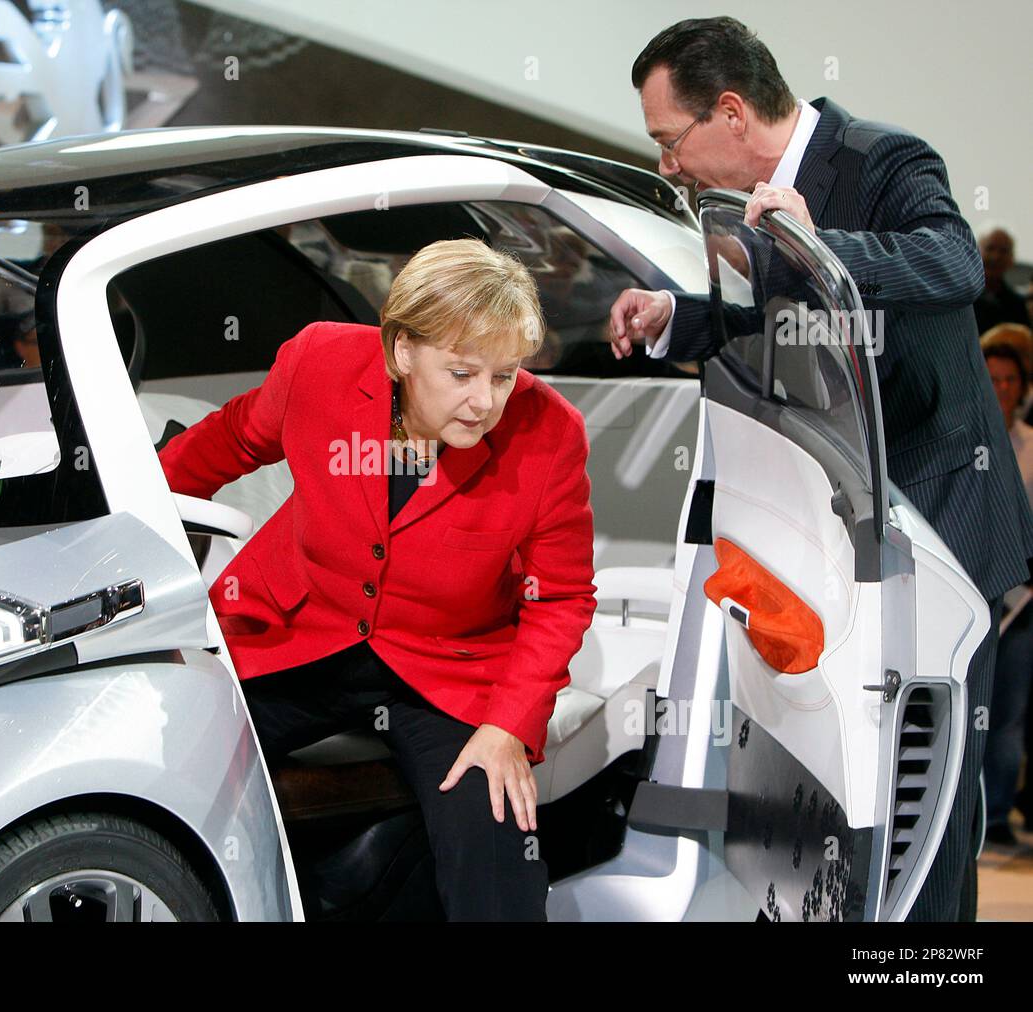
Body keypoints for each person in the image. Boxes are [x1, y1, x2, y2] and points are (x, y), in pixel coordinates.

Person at [610, 16, 1033, 921]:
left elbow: (952, 263)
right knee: (860, 789)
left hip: (939, 516)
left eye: (668, 143)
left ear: (729, 113)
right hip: (841, 523)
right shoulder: (746, 203)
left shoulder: (884, 159)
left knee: (935, 804)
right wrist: (671, 318)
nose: (668, 167)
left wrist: (822, 246)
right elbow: (769, 330)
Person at [157, 238, 598, 920]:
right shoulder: (320, 360)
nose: (486, 402)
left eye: (504, 376)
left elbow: (561, 597)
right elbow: (236, 438)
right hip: (295, 630)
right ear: (402, 353)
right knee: (165, 751)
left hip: (444, 668)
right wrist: (133, 502)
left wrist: (508, 725)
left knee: (496, 837)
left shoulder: (550, 434)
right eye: (462, 373)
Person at [981, 325, 1033, 845]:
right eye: (991, 378)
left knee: (1009, 714)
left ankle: (996, 811)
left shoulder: (1032, 447)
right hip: (971, 593)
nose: (1000, 388)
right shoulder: (966, 438)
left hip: (1020, 601)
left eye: (1009, 379)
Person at [975, 228, 1031, 335]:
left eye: (1003, 250)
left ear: (1012, 259)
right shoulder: (963, 299)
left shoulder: (1018, 305)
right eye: (990, 248)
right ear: (975, 252)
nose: (996, 257)